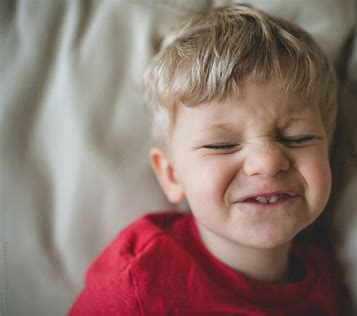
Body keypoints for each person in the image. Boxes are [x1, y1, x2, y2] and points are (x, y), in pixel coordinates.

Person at [69, 4, 341, 315]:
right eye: (221, 144)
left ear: (328, 151)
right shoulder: (137, 283)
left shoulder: (328, 274)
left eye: (298, 138)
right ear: (171, 175)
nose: (267, 161)